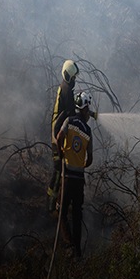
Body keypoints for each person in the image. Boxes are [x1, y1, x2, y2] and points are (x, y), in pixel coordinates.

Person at [55, 91, 94, 257]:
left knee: (62, 211)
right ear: (85, 109)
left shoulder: (69, 121)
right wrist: (81, 165)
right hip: (79, 181)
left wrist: (62, 153)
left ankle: (69, 244)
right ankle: (77, 252)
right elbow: (90, 159)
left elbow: (59, 137)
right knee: (77, 216)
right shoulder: (88, 131)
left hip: (67, 177)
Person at [48, 60, 78, 213]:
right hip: (57, 136)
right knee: (59, 170)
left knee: (62, 169)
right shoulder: (66, 90)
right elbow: (72, 113)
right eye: (73, 78)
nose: (75, 80)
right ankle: (51, 206)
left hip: (58, 133)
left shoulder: (65, 87)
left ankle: (59, 203)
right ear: (67, 76)